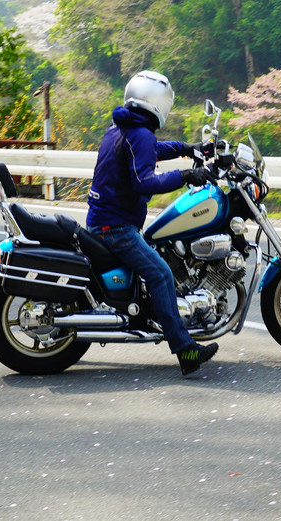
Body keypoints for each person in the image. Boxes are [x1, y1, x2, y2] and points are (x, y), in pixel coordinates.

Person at [86, 70, 218, 376]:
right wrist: (188, 176)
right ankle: (185, 350)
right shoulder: (139, 133)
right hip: (115, 228)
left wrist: (188, 149)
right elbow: (143, 182)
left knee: (161, 257)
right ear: (156, 102)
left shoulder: (120, 128)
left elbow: (155, 150)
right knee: (160, 274)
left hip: (107, 221)